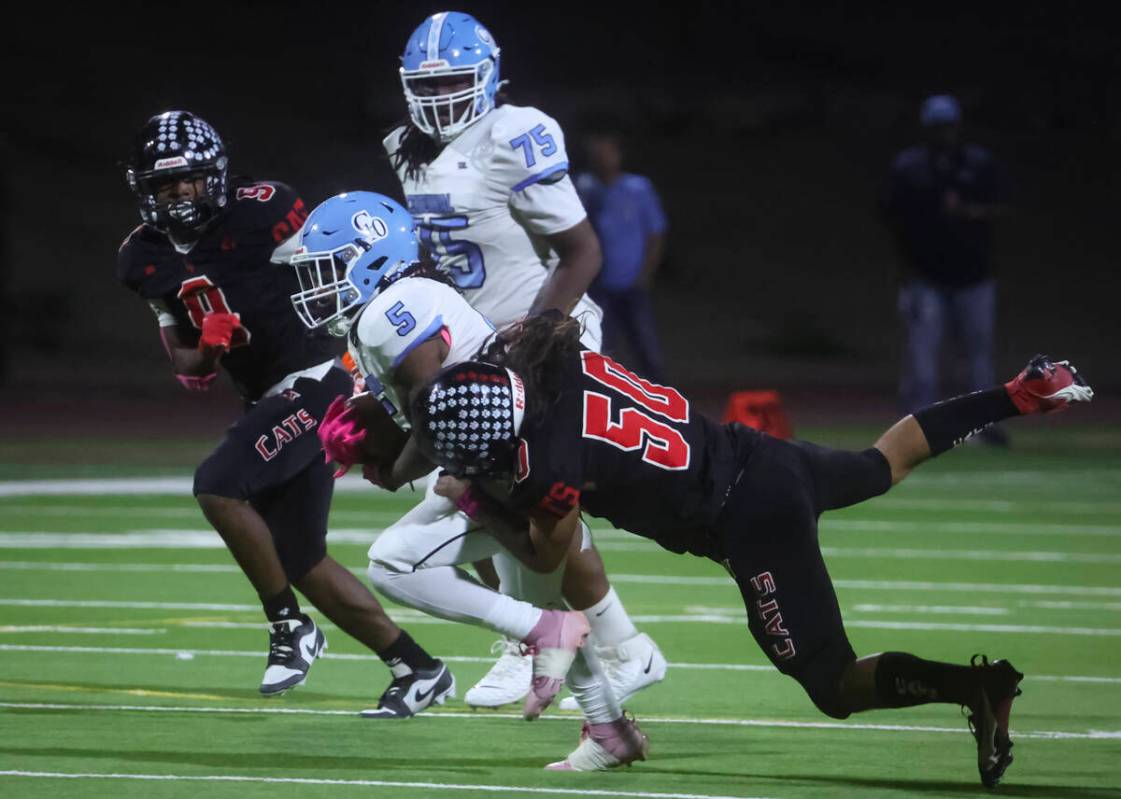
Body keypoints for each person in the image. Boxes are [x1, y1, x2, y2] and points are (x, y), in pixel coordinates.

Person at [408, 313, 1093, 787]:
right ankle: (1014, 394)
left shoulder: (548, 465)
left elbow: (541, 560)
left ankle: (972, 685)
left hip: (749, 516)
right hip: (760, 454)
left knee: (830, 682)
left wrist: (477, 501)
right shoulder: (538, 355)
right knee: (880, 464)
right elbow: (509, 365)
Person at [291, 190, 648, 768]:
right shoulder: (393, 307)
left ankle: (564, 643)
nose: (318, 284)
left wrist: (392, 470)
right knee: (541, 601)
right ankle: (610, 730)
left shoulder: (390, 311)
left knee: (393, 563)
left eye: (328, 268)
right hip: (512, 458)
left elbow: (436, 415)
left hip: (509, 464)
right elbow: (431, 411)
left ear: (372, 258)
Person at [117, 111, 452, 717]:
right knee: (299, 557)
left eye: (190, 179)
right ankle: (418, 668)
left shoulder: (266, 208)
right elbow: (188, 367)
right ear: (145, 189)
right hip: (269, 398)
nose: (180, 193)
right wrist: (211, 345)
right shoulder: (143, 256)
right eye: (166, 184)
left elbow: (336, 260)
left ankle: (287, 627)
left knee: (219, 484)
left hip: (323, 377)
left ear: (213, 175)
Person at [380, 10, 665, 710]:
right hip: (474, 343)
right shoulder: (404, 145)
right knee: (509, 497)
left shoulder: (515, 132)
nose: (442, 95)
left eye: (454, 80)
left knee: (507, 491)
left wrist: (531, 341)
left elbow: (583, 252)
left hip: (547, 333)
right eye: (430, 83)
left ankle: (531, 642)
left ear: (487, 77)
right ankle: (623, 648)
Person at [885, 95, 1012, 442]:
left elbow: (1002, 206)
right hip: (926, 277)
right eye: (937, 127)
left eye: (948, 126)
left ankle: (984, 424)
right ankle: (914, 429)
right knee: (923, 360)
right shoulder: (909, 168)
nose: (944, 133)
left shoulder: (979, 164)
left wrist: (969, 213)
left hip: (973, 276)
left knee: (977, 359)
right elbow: (892, 217)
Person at [575, 130, 669, 382]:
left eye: (606, 153)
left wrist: (646, 274)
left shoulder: (638, 188)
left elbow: (656, 233)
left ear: (618, 155)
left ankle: (664, 400)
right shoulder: (584, 188)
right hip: (598, 285)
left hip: (632, 283)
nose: (602, 160)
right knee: (601, 347)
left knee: (646, 346)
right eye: (596, 155)